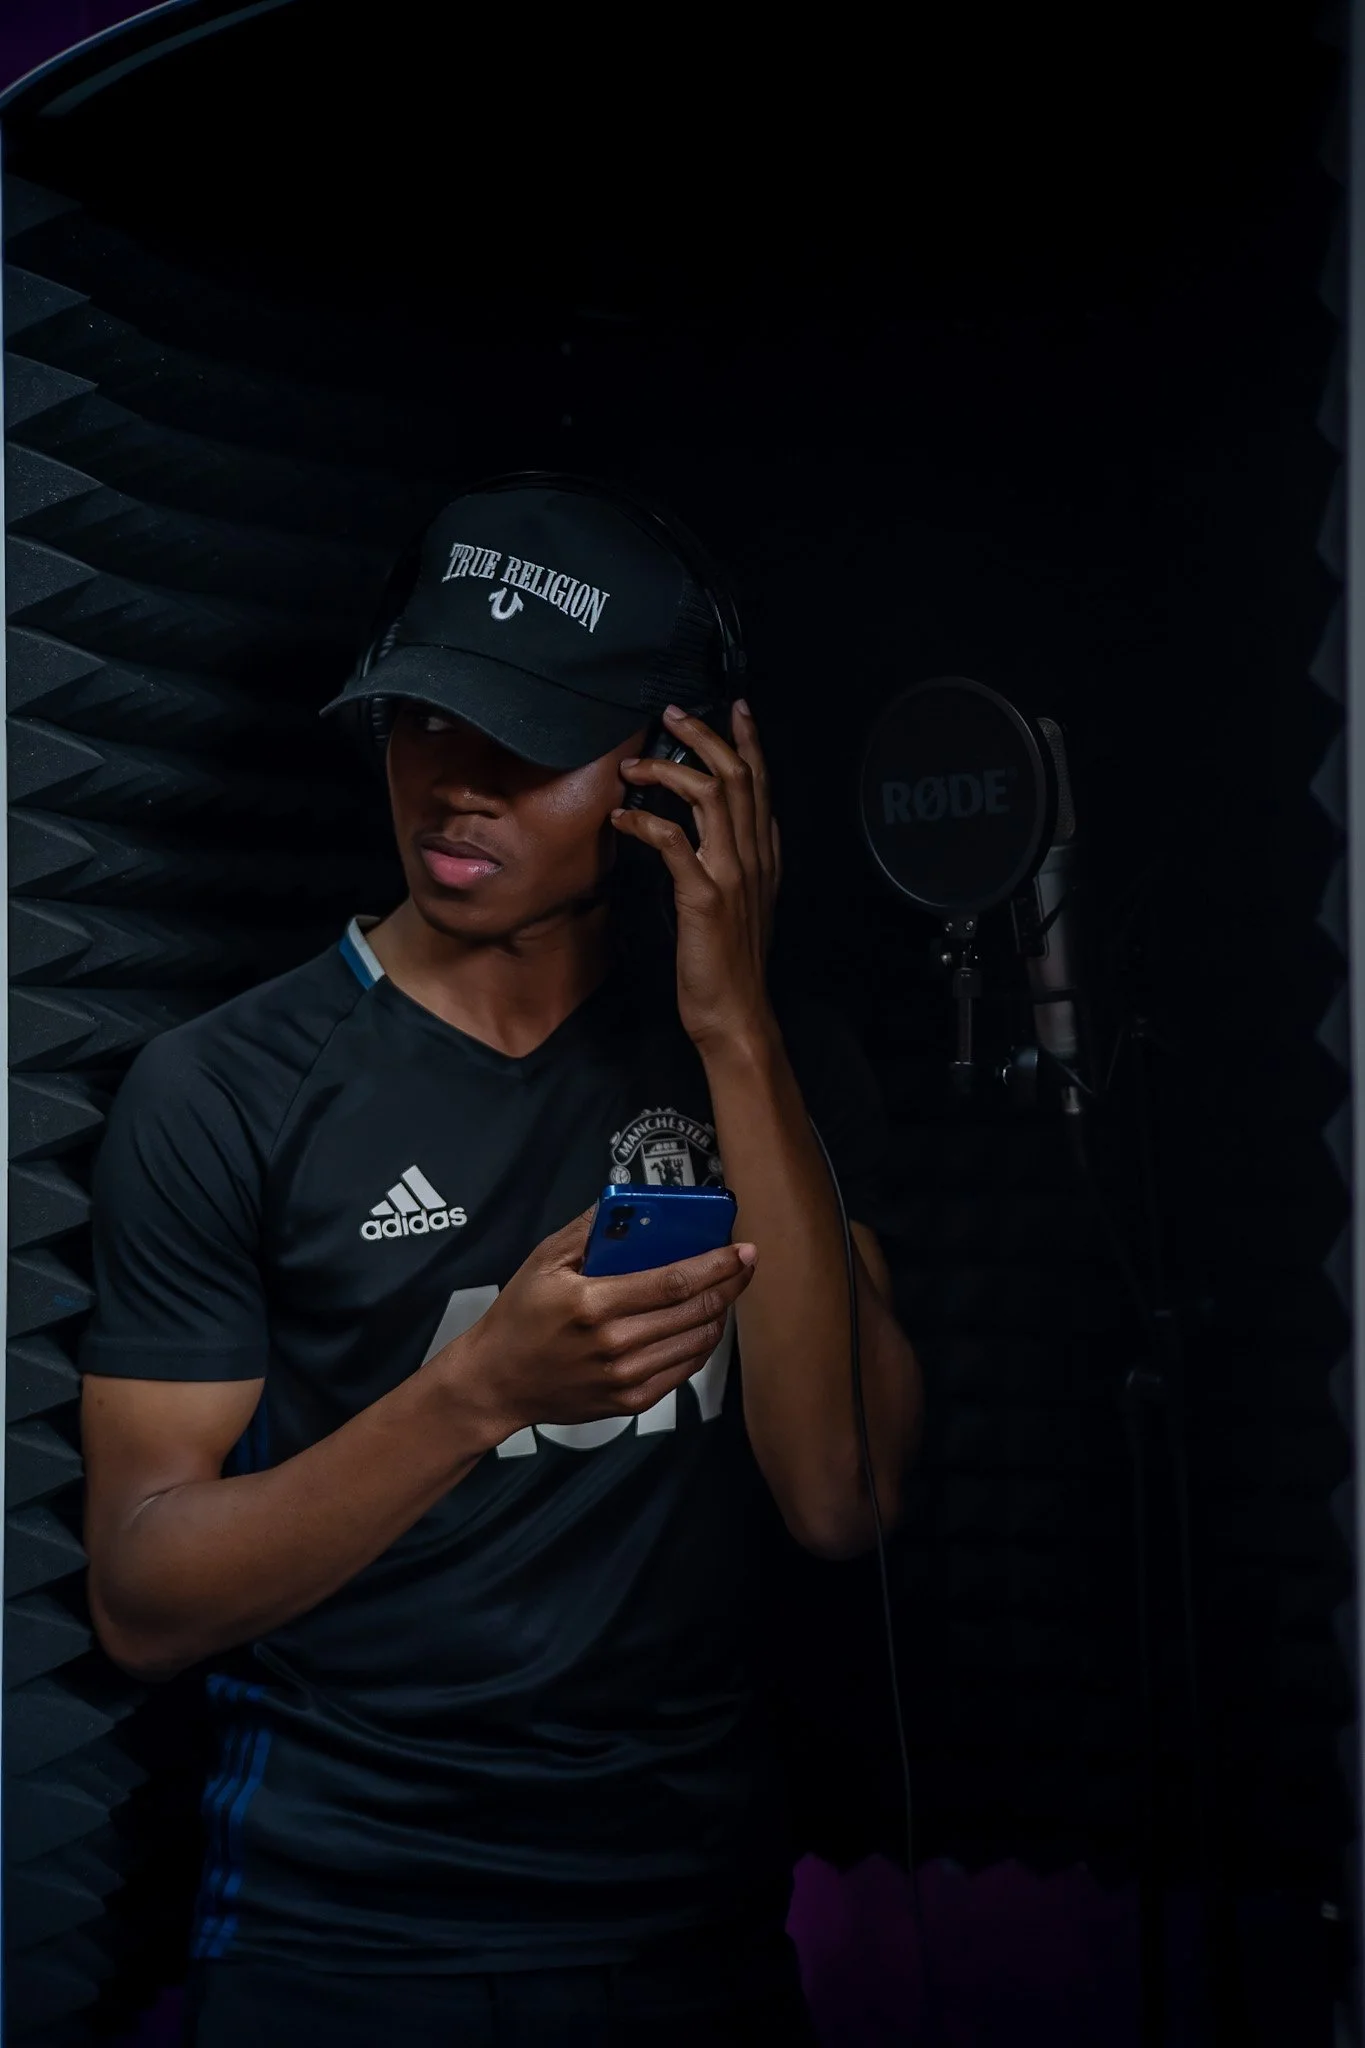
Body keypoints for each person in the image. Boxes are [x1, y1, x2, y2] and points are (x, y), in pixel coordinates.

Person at [78, 478, 924, 2048]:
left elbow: (844, 1495)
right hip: (342, 1943)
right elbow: (142, 1594)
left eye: (524, 740)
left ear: (676, 771)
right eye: (420, 720)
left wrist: (732, 1024)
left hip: (695, 1938)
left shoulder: (781, 1064)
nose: (453, 786)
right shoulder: (224, 1090)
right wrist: (476, 1394)